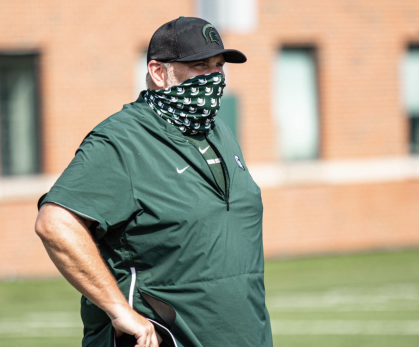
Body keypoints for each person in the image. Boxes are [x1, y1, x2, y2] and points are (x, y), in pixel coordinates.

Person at [35, 16, 273, 347]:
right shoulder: (121, 140)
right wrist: (118, 310)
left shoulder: (218, 132)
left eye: (219, 66)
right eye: (200, 66)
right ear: (158, 73)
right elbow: (55, 223)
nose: (214, 78)